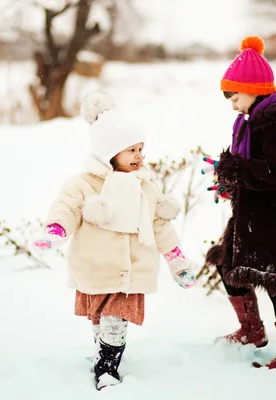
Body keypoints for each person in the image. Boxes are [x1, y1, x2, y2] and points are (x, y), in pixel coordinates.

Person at [33, 91, 197, 389]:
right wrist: (56, 230)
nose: (139, 156)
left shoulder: (145, 186)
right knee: (99, 319)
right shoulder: (84, 184)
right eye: (131, 150)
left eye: (140, 149)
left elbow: (160, 225)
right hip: (96, 267)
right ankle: (102, 353)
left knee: (115, 320)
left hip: (131, 270)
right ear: (109, 151)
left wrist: (176, 259)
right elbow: (66, 207)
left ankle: (107, 367)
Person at [205, 36, 276, 369]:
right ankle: (252, 329)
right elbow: (255, 172)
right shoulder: (252, 124)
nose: (232, 104)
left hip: (275, 221)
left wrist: (235, 168)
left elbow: (274, 173)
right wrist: (231, 181)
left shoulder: (275, 127)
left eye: (235, 96)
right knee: (228, 265)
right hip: (252, 217)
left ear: (254, 90)